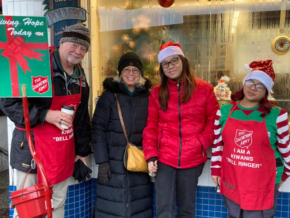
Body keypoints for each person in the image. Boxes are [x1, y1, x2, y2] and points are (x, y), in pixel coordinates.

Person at [0, 24, 92, 218]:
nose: (78, 51)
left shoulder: (80, 77)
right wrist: (45, 115)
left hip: (62, 152)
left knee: (57, 204)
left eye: (83, 48)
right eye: (74, 45)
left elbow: (81, 117)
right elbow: (9, 104)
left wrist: (81, 153)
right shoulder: (34, 63)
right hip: (30, 149)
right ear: (61, 42)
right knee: (29, 209)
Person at [143, 41, 219, 218]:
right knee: (164, 209)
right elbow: (151, 126)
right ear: (161, 68)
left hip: (192, 158)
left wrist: (200, 143)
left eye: (174, 60)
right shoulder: (157, 92)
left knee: (186, 209)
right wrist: (151, 154)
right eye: (165, 63)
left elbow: (213, 121)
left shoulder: (204, 89)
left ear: (183, 61)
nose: (170, 66)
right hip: (164, 159)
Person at [211, 60, 290, 218]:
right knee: (233, 214)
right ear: (244, 83)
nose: (253, 88)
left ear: (266, 90)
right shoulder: (225, 110)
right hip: (233, 177)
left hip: (263, 182)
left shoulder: (277, 115)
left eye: (260, 85)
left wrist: (284, 175)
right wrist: (215, 169)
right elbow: (217, 144)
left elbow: (285, 150)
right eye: (250, 82)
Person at [91, 52, 153, 218]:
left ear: (140, 73)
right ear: (120, 72)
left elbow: (154, 128)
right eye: (126, 69)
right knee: (112, 207)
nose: (130, 74)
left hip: (139, 161)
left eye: (135, 70)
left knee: (138, 205)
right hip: (113, 163)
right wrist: (102, 162)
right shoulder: (109, 96)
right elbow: (97, 129)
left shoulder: (148, 96)